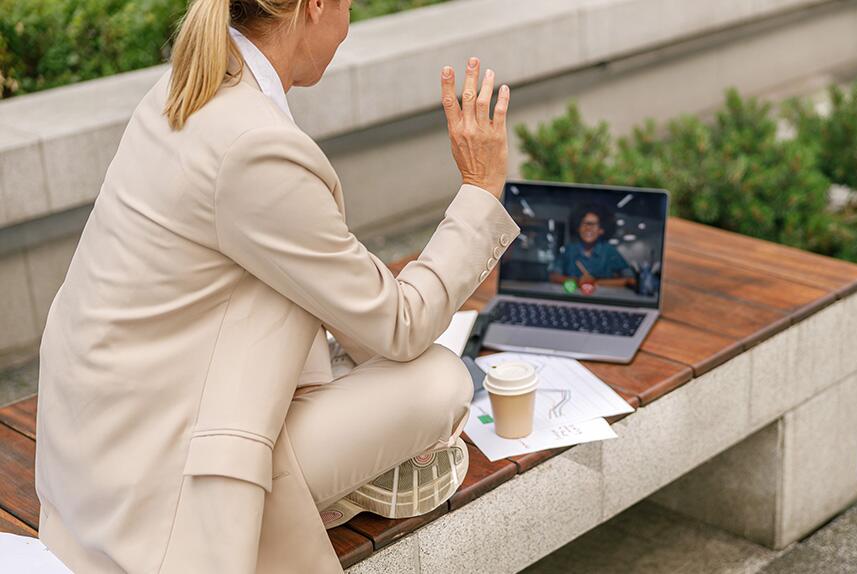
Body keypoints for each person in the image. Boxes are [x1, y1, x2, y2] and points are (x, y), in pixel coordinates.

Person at [33, 0, 518, 571]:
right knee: (440, 380)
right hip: (156, 480)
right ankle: (304, 498)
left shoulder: (187, 88)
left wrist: (373, 348)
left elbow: (343, 300)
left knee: (381, 359)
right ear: (315, 5)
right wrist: (481, 189)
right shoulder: (251, 144)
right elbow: (399, 324)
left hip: (89, 454)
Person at [549, 204, 634, 289]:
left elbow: (630, 279)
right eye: (584, 223)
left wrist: (596, 282)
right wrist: (576, 281)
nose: (588, 228)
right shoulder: (569, 250)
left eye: (593, 224)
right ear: (578, 228)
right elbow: (554, 276)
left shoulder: (609, 251)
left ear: (601, 230)